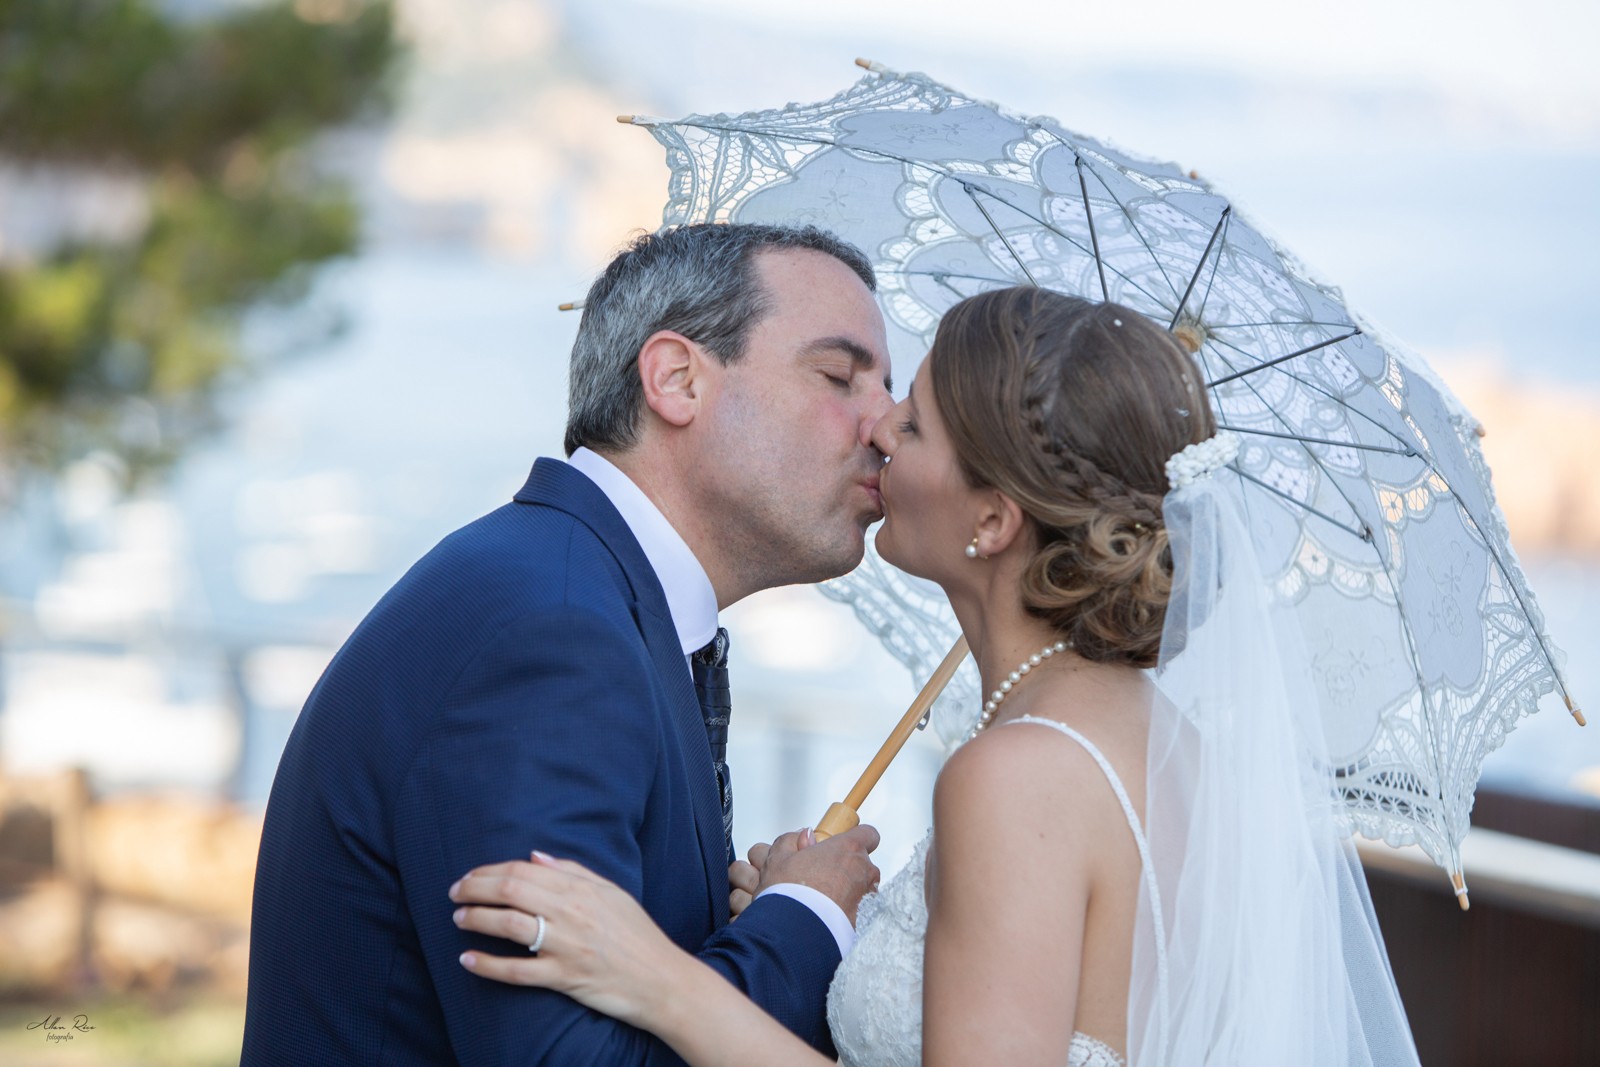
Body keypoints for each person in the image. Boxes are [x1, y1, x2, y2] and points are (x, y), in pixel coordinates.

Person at [447, 288, 1423, 1066]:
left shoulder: (1019, 772)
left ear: (992, 520)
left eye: (912, 424)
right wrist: (814, 919)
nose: (877, 430)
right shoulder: (1162, 741)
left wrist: (659, 979)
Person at [241, 223, 893, 1065]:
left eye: (887, 390)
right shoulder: (552, 635)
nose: (885, 426)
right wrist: (805, 922)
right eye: (839, 376)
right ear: (676, 379)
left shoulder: (579, 593)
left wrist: (754, 922)